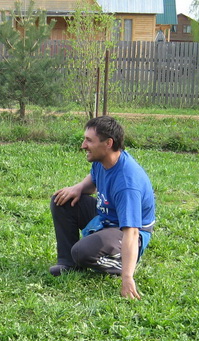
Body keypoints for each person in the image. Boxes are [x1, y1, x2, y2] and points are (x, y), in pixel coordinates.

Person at [49, 116, 155, 299]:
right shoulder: (103, 161)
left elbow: (132, 232)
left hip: (129, 232)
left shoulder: (127, 183)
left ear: (108, 143)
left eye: (89, 140)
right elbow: (93, 180)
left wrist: (127, 277)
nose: (83, 145)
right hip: (107, 217)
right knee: (61, 200)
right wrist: (78, 188)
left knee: (82, 251)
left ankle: (122, 263)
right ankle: (68, 264)